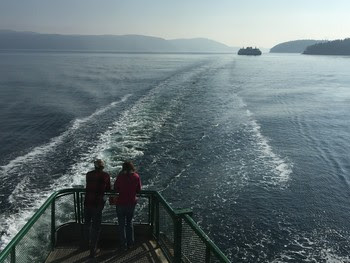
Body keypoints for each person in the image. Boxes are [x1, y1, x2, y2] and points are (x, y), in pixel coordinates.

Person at [84, 159, 111, 258]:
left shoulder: (88, 174)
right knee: (96, 227)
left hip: (87, 203)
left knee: (87, 224)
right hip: (97, 204)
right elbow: (108, 189)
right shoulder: (105, 176)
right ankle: (93, 249)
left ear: (94, 166)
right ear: (102, 167)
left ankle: (85, 244)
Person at [114, 161, 142, 250]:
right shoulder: (136, 176)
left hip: (121, 202)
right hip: (131, 203)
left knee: (121, 224)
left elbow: (116, 188)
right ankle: (131, 243)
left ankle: (123, 245)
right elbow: (139, 189)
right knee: (129, 223)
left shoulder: (120, 176)